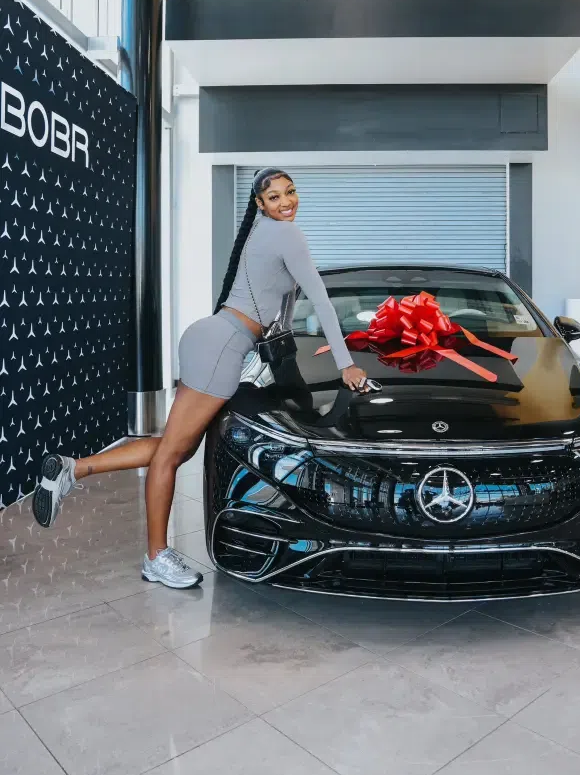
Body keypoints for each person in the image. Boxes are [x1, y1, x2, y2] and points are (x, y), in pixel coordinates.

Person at [30, 168, 368, 589]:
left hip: (212, 338)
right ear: (260, 204)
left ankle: (73, 469)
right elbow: (320, 299)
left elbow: (275, 312)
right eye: (275, 197)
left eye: (291, 192)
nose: (286, 202)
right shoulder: (286, 234)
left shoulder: (263, 231)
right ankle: (156, 557)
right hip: (222, 347)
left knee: (177, 447)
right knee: (172, 455)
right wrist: (345, 364)